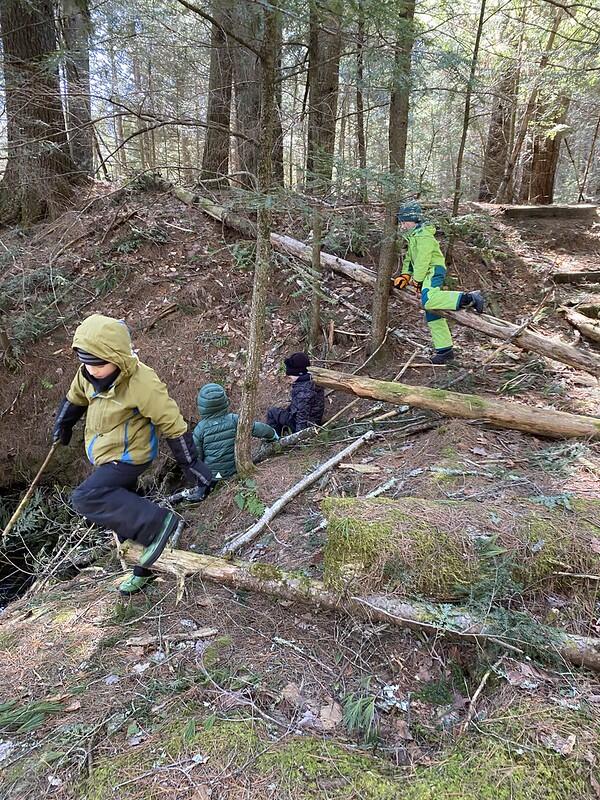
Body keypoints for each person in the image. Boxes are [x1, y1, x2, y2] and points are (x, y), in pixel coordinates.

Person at [52, 314, 213, 596]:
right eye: (86, 363)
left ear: (117, 357)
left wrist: (190, 463)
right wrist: (63, 424)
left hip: (130, 456)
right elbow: (75, 397)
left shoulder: (141, 382)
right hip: (106, 454)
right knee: (122, 515)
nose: (91, 370)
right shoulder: (87, 374)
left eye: (98, 364)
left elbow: (171, 422)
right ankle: (143, 570)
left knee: (85, 497)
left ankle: (158, 523)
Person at [393, 201, 485, 364]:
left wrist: (416, 280)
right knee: (433, 311)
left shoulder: (424, 236)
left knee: (428, 300)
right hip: (424, 272)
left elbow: (423, 260)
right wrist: (405, 276)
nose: (402, 224)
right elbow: (409, 259)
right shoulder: (413, 236)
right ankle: (444, 350)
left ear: (413, 219)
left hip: (433, 269)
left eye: (404, 221)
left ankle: (469, 298)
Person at [193, 383, 278, 479]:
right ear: (225, 401)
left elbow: (197, 456)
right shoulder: (234, 420)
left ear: (201, 405)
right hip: (234, 470)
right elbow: (258, 428)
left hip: (212, 476)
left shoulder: (199, 429)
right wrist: (273, 435)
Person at [266, 352, 325, 435]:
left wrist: (297, 437)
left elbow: (302, 418)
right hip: (313, 421)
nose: (289, 378)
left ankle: (273, 441)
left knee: (272, 412)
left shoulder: (303, 391)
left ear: (298, 373)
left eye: (290, 376)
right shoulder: (310, 381)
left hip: (307, 426)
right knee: (283, 411)